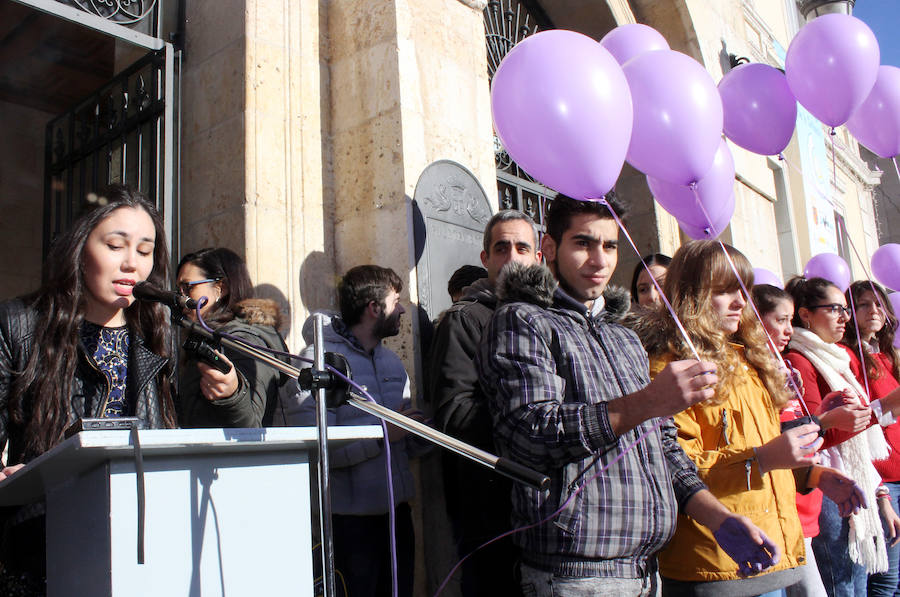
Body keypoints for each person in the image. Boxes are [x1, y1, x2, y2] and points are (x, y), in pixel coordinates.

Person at [478, 194, 779, 597]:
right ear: (549, 248)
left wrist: (718, 517)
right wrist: (649, 402)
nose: (599, 261)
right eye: (583, 243)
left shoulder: (626, 337)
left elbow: (664, 447)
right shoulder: (523, 320)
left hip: (646, 571)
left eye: (610, 245)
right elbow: (529, 434)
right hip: (575, 574)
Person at [639, 242, 864, 596]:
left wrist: (813, 474)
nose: (740, 302)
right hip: (715, 563)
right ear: (691, 293)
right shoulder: (671, 369)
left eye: (742, 289)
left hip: (769, 554)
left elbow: (762, 447)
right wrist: (765, 458)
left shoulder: (746, 361)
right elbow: (677, 470)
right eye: (723, 290)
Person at [0, 185, 177, 593]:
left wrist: (231, 393)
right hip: (45, 547)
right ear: (81, 250)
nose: (132, 263)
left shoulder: (157, 336)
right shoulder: (21, 325)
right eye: (115, 245)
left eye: (145, 251)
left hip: (141, 544)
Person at [279, 265, 427, 597]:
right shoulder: (315, 362)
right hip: (348, 524)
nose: (403, 309)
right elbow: (312, 446)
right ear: (374, 308)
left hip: (396, 516)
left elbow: (400, 440)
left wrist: (418, 435)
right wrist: (381, 435)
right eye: (397, 300)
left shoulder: (392, 362)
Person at [426, 209, 542, 596]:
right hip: (492, 511)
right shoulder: (465, 320)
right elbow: (454, 413)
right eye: (501, 246)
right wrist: (531, 421)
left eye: (522, 247)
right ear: (485, 259)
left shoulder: (556, 319)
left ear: (537, 258)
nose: (512, 255)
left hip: (550, 514)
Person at [784, 276, 899, 596]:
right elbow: (813, 433)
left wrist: (880, 494)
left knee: (863, 584)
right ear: (806, 314)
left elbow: (854, 435)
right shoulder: (799, 360)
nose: (845, 317)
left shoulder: (838, 358)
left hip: (857, 478)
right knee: (845, 587)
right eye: (836, 309)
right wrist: (883, 408)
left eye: (846, 309)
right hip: (828, 485)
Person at [175, 247, 289, 428]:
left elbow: (250, 430)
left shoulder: (243, 340)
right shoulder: (208, 337)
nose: (181, 298)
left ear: (221, 288)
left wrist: (232, 395)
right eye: (178, 290)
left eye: (188, 288)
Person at [841, 281, 900, 597]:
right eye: (864, 304)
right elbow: (861, 424)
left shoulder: (889, 356)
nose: (874, 310)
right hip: (883, 480)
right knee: (884, 582)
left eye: (879, 303)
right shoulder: (851, 358)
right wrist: (881, 495)